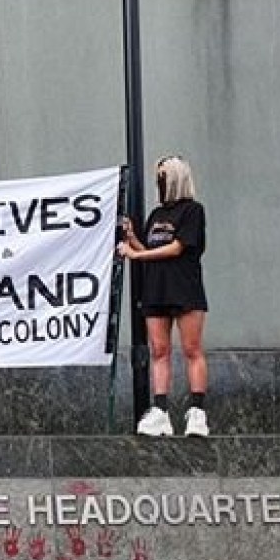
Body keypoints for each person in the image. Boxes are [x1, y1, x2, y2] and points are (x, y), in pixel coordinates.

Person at [118, 154, 209, 437]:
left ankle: (197, 411)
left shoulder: (193, 211)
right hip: (156, 288)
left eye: (163, 176)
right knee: (159, 350)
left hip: (183, 286)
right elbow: (151, 249)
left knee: (191, 349)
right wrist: (133, 239)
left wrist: (137, 253)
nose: (159, 182)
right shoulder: (157, 215)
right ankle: (160, 410)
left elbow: (176, 248)